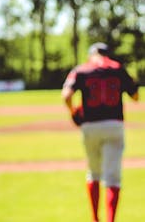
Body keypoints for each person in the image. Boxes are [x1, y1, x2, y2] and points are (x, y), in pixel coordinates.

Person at [62, 42, 139, 222]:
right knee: (113, 178)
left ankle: (95, 218)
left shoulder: (82, 69)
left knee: (93, 173)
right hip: (114, 124)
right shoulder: (117, 68)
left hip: (90, 126)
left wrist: (73, 111)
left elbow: (66, 95)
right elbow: (135, 96)